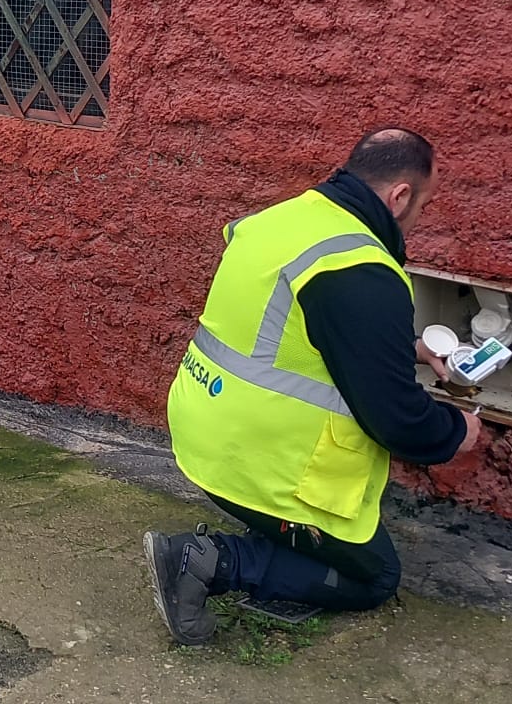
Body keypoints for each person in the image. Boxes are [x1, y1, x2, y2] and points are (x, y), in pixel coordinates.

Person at [145, 128, 482, 644]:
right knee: (374, 577)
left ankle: (270, 533)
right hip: (259, 465)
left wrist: (403, 345)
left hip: (202, 431)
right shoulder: (359, 268)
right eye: (424, 205)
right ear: (399, 196)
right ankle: (205, 561)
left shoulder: (282, 220)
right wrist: (457, 430)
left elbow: (296, 332)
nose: (419, 217)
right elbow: (398, 421)